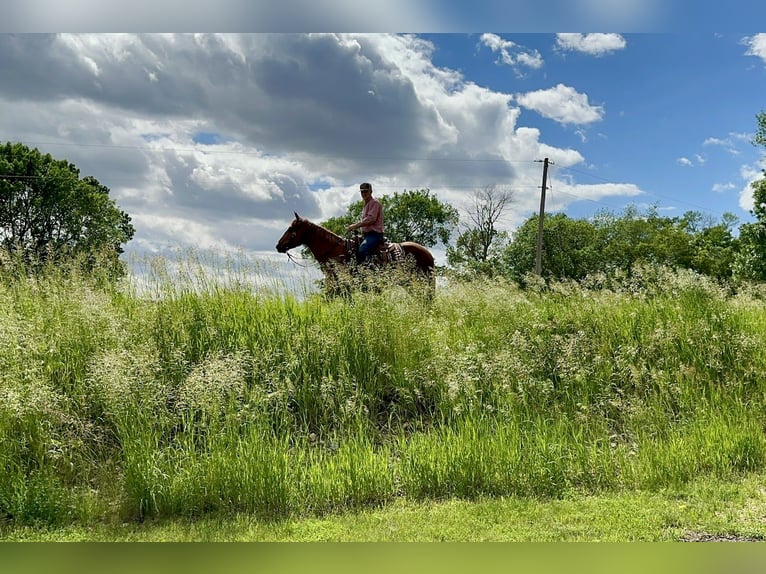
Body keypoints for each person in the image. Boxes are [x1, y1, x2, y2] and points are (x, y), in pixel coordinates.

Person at [346, 182, 384, 263]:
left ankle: (372, 270)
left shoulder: (375, 203)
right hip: (366, 235)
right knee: (351, 247)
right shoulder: (366, 205)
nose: (364, 193)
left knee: (363, 248)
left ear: (371, 192)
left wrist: (355, 226)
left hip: (375, 235)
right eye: (362, 192)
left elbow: (371, 219)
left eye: (366, 191)